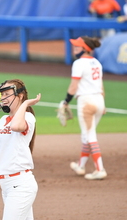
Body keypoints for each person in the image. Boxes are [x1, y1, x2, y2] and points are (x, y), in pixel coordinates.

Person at [0, 79, 41, 220]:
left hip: (20, 185)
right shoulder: (3, 120)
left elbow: (16, 127)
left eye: (7, 94)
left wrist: (25, 104)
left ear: (20, 95)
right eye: (2, 95)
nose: (3, 98)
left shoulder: (27, 117)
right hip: (6, 187)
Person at [62, 36, 107, 180]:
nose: (75, 49)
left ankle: (100, 169)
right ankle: (80, 166)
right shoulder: (97, 63)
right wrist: (103, 104)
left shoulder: (79, 63)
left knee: (90, 136)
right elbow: (101, 85)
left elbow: (73, 86)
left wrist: (66, 101)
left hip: (86, 102)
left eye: (77, 46)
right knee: (87, 135)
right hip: (99, 100)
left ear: (85, 48)